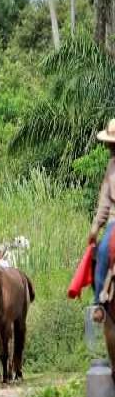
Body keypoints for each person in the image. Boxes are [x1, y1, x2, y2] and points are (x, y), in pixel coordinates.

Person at [89, 119, 115, 322]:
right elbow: (105, 200)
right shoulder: (111, 166)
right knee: (103, 250)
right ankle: (99, 302)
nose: (109, 146)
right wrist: (96, 225)